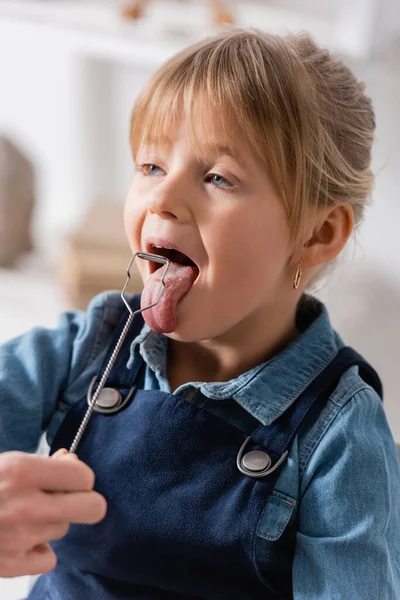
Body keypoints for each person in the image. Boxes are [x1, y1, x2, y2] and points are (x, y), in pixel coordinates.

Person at [0, 28, 399, 600]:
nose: (162, 200)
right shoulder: (81, 351)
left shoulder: (340, 439)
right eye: (152, 167)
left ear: (317, 233)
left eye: (218, 177)